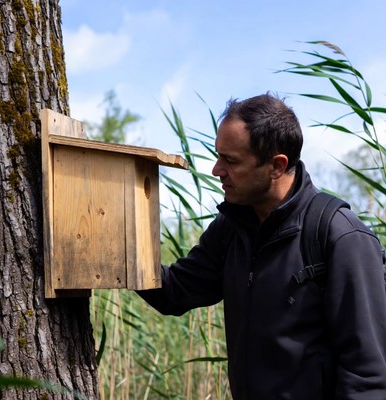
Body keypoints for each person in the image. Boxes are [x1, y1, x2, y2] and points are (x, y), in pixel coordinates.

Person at [138, 93, 386, 399]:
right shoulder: (233, 228)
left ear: (277, 166)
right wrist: (118, 250)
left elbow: (367, 377)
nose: (216, 170)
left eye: (230, 160)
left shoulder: (340, 236)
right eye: (219, 156)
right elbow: (176, 292)